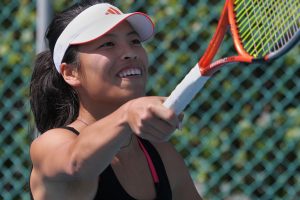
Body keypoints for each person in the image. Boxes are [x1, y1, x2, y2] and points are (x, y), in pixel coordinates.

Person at [29, 0, 202, 199]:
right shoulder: (50, 144)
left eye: (134, 41)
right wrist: (127, 113)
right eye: (108, 44)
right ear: (71, 73)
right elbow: (76, 163)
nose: (129, 53)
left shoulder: (162, 155)